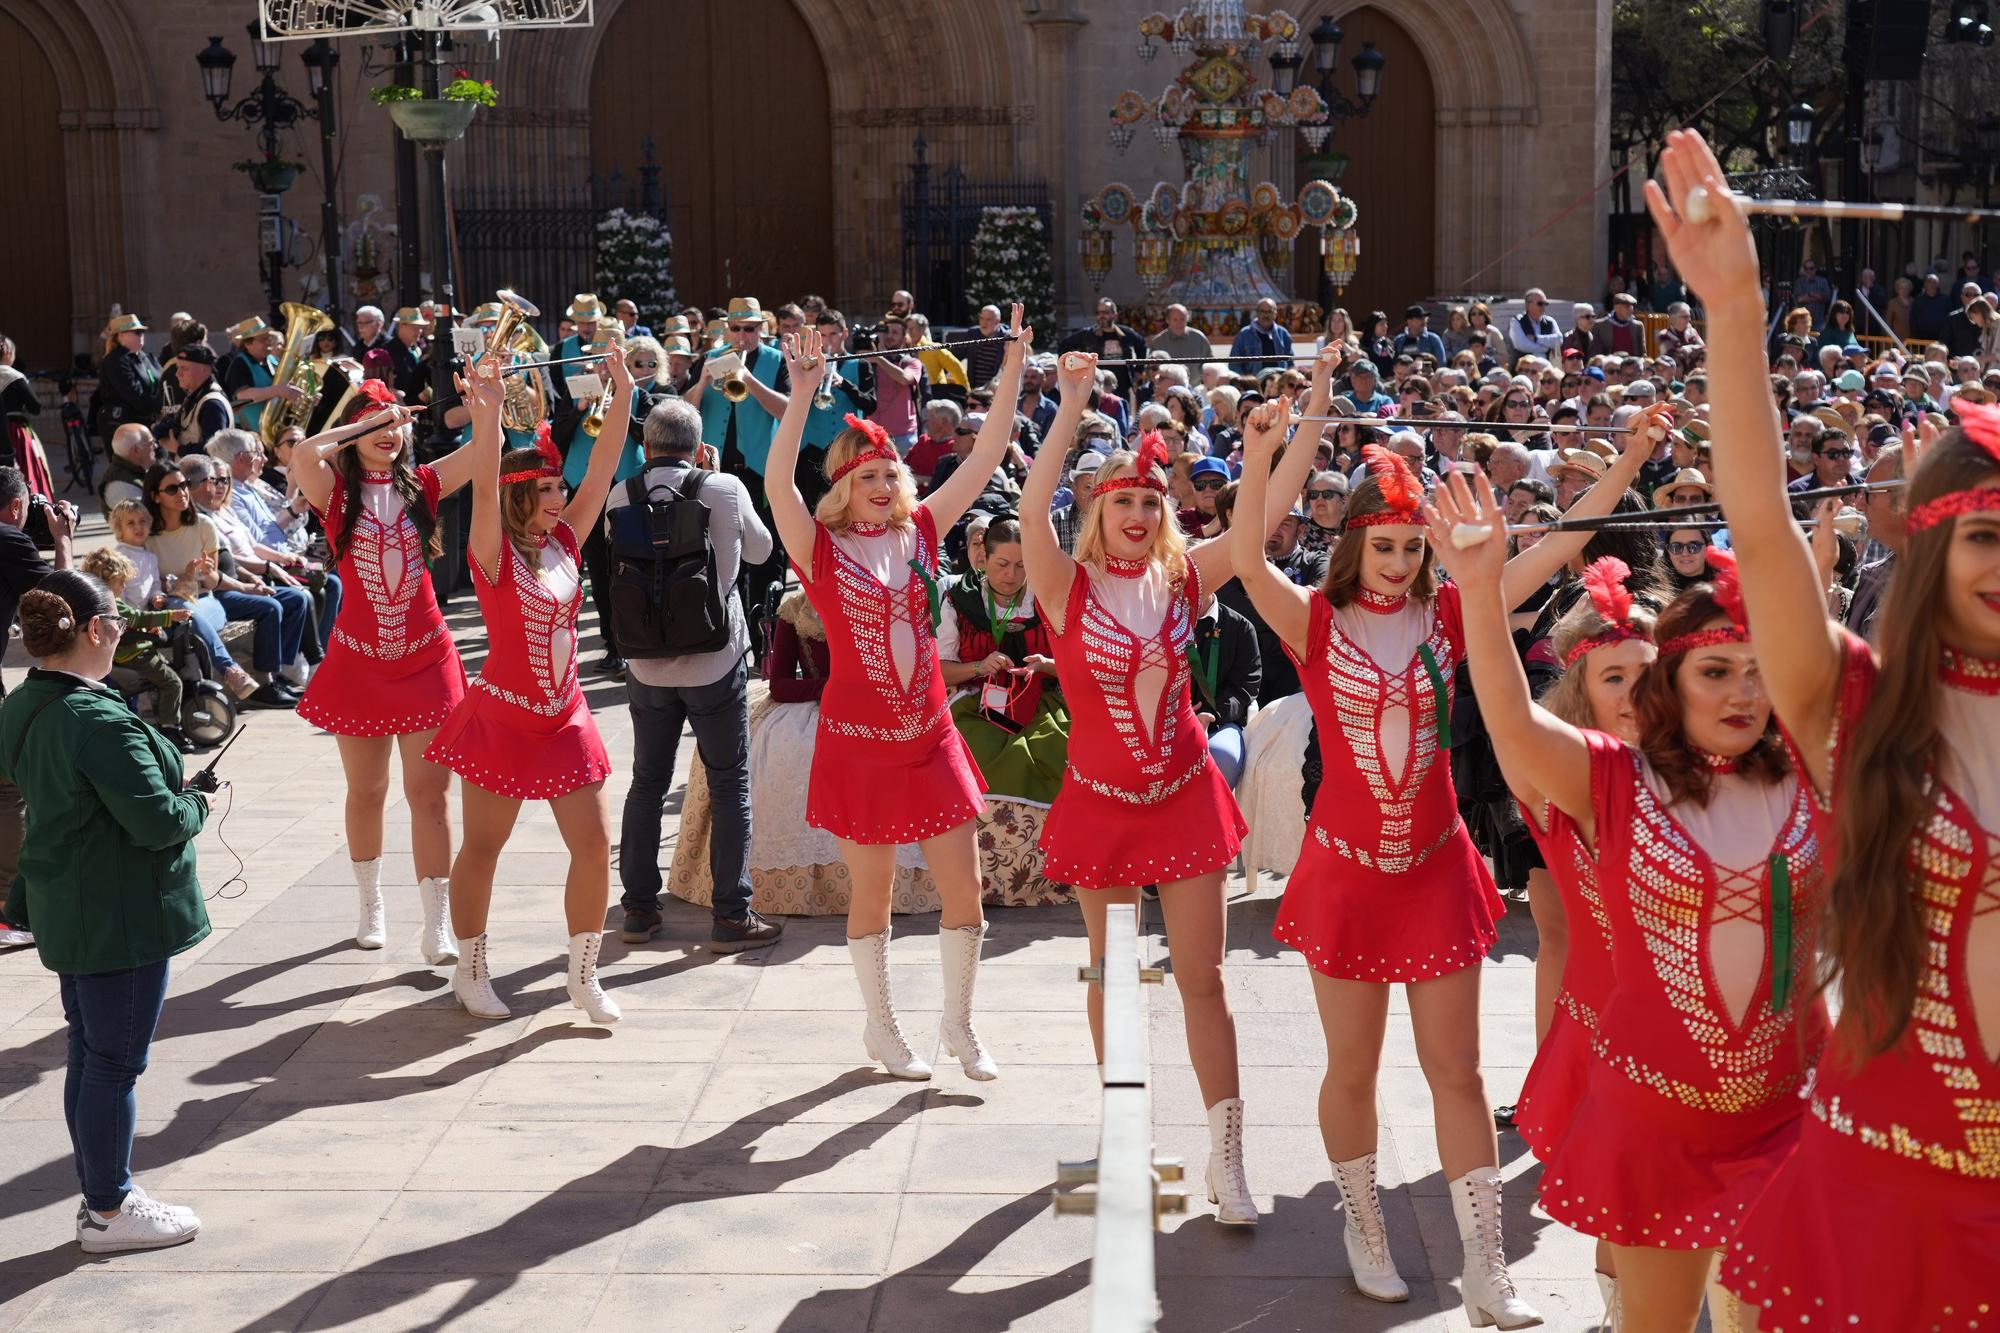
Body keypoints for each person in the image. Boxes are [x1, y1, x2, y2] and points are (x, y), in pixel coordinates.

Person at [1647, 131, 2000, 1328]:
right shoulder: (1851, 708)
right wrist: (1734, 311)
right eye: (1986, 536)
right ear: (1932, 545)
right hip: (1875, 1200)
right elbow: (1756, 520)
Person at [1232, 408, 1642, 1323]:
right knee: (1353, 1068)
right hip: (1344, 875)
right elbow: (1248, 559)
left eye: (1415, 547)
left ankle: (1486, 1265)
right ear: (1355, 543)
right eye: (1386, 545)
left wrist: (1634, 460)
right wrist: (1260, 457)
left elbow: (1556, 543)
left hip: (1434, 870)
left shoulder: (1451, 611)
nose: (1402, 562)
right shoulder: (1315, 619)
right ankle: (1364, 1228)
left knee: (1458, 1072)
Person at [1020, 347, 1328, 1230]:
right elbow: (1034, 503)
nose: (1138, 510)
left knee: (1204, 978)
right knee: (1115, 977)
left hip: (1187, 793)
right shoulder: (1063, 586)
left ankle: (1227, 1159)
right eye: (1123, 499)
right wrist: (1071, 400)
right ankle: (1123, 1138)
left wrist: (1297, 415)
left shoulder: (1187, 577)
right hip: (1102, 805)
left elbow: (1265, 513)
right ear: (1099, 509)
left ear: (1164, 511)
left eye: (1151, 500)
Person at [757, 309, 1030, 1083]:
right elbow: (778, 483)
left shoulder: (924, 533)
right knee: (872, 892)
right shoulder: (819, 548)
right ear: (842, 490)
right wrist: (803, 393)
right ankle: (881, 1026)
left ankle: (961, 1025)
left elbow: (981, 462)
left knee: (965, 889)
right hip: (859, 745)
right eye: (865, 477)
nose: (882, 485)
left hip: (931, 736)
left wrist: (1009, 369)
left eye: (888, 475)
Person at [423, 346, 636, 1024]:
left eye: (557, 487)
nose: (560, 495)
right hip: (505, 719)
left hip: (566, 716)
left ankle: (583, 975)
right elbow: (482, 489)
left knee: (595, 844)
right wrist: (486, 415)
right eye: (545, 489)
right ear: (520, 495)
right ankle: (470, 967)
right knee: (484, 847)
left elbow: (602, 466)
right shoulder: (492, 554)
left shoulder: (567, 542)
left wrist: (624, 390)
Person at [0, 570, 211, 1253]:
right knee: (113, 1063)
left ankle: (103, 1197)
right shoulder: (92, 718)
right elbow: (157, 822)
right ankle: (110, 1209)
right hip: (117, 914)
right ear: (94, 630)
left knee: (89, 1055)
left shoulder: (24, 702)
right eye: (117, 619)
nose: (122, 628)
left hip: (68, 901)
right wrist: (198, 802)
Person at [286, 377, 476, 961]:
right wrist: (361, 421)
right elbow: (302, 453)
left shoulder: (424, 485)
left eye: (397, 423)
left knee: (430, 795)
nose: (389, 432)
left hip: (425, 658)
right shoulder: (336, 493)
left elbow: (485, 449)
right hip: (360, 663)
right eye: (377, 422)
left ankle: (437, 922)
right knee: (366, 791)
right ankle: (371, 903)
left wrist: (485, 402)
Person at [609, 396, 784, 954]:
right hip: (715, 659)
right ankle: (731, 916)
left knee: (646, 781)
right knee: (730, 782)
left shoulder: (622, 493)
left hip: (646, 663)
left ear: (646, 447)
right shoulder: (724, 488)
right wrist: (717, 479)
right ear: (698, 443)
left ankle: (638, 908)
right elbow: (761, 553)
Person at [935, 516, 1072, 905]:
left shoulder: (1050, 596)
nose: (1012, 575)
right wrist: (979, 667)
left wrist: (1045, 665)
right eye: (1001, 565)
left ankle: (1051, 877)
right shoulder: (957, 599)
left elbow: (1079, 665)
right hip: (977, 701)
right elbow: (939, 672)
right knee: (969, 752)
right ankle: (978, 880)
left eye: (1022, 564)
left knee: (1061, 751)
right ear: (983, 559)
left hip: (1044, 699)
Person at [688, 299, 792, 661]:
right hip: (716, 470)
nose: (743, 336)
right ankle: (730, 634)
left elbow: (788, 409)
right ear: (727, 328)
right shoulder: (711, 358)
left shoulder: (778, 360)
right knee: (721, 554)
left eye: (751, 329)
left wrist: (749, 379)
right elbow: (684, 411)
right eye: (737, 329)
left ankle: (767, 641)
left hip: (760, 472)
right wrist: (702, 381)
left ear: (762, 329)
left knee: (765, 555)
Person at [141, 460, 276, 705]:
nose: (182, 493)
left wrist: (205, 573)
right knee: (178, 607)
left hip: (205, 602)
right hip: (167, 611)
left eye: (184, 485)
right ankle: (229, 672)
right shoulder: (147, 535)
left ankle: (223, 678)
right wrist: (181, 580)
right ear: (155, 496)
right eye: (172, 489)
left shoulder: (203, 526)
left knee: (186, 612)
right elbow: (146, 583)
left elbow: (212, 583)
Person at [76, 548, 194, 752]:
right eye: (120, 582)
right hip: (134, 654)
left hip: (132, 648)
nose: (124, 586)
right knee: (172, 682)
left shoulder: (102, 602)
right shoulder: (110, 604)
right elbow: (138, 617)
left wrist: (145, 627)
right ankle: (169, 728)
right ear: (106, 580)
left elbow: (132, 622)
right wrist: (171, 616)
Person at [95, 314, 162, 446]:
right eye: (137, 332)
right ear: (121, 336)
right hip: (125, 426)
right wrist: (161, 406)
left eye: (142, 331)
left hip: (150, 423)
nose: (141, 335)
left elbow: (163, 381)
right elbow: (134, 395)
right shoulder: (116, 361)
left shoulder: (147, 357)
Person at [1059, 298, 1148, 397]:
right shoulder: (1088, 334)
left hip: (1122, 387)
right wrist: (1072, 367)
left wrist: (1139, 370)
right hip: (1096, 385)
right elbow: (1064, 345)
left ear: (1115, 314)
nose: (1101, 316)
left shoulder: (1126, 334)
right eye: (1098, 312)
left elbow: (1142, 345)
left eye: (1105, 312)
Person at [164, 345, 232, 456]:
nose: (177, 374)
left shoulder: (212, 404)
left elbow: (214, 449)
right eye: (178, 368)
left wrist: (179, 449)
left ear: (205, 370)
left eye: (184, 368)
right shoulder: (196, 396)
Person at [98, 424, 158, 516]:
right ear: (137, 450)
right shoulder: (122, 487)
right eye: (151, 443)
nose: (155, 446)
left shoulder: (137, 471)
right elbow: (143, 521)